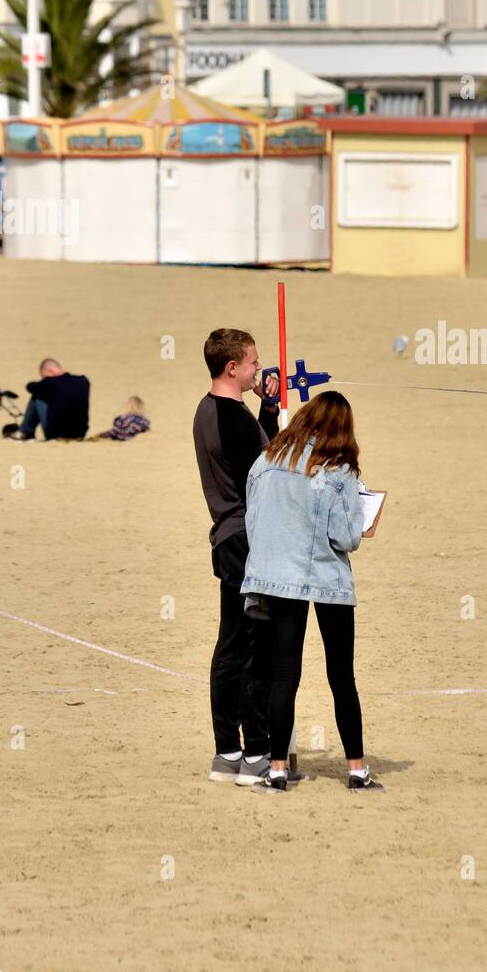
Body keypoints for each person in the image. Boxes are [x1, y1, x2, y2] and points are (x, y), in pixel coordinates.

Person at [243, 391, 382, 793]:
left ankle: (277, 771)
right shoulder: (340, 472)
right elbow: (345, 536)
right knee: (342, 676)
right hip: (326, 577)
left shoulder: (267, 460)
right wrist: (362, 524)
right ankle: (356, 770)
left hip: (278, 576)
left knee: (285, 675)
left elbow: (255, 518)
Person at [193, 329, 280, 786]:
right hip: (247, 536)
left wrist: (267, 408)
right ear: (232, 368)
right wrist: (273, 418)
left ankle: (227, 752)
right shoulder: (233, 418)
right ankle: (257, 755)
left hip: (228, 537)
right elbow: (271, 473)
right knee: (253, 649)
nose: (256, 370)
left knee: (230, 646)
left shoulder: (209, 410)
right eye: (252, 364)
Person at [4, 359, 90, 441]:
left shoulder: (49, 383)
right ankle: (25, 431)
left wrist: (44, 382)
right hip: (80, 434)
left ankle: (25, 432)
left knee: (37, 396)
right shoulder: (83, 381)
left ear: (50, 371)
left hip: (56, 434)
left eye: (43, 376)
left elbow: (29, 386)